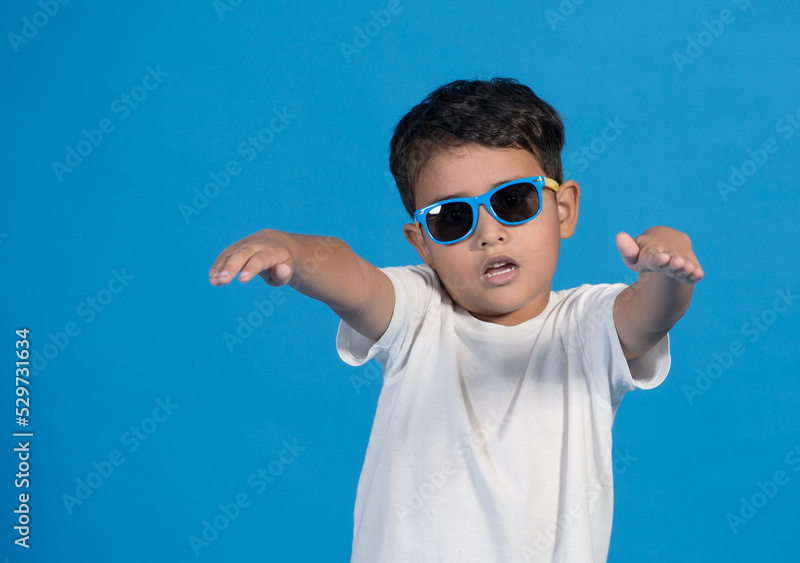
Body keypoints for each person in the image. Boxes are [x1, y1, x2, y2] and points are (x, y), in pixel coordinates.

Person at [208, 77, 703, 562]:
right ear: (422, 243)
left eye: (513, 201)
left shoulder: (586, 325)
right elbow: (349, 274)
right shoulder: (418, 311)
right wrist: (293, 249)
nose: (489, 233)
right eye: (452, 218)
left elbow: (649, 314)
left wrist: (666, 262)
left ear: (563, 210)